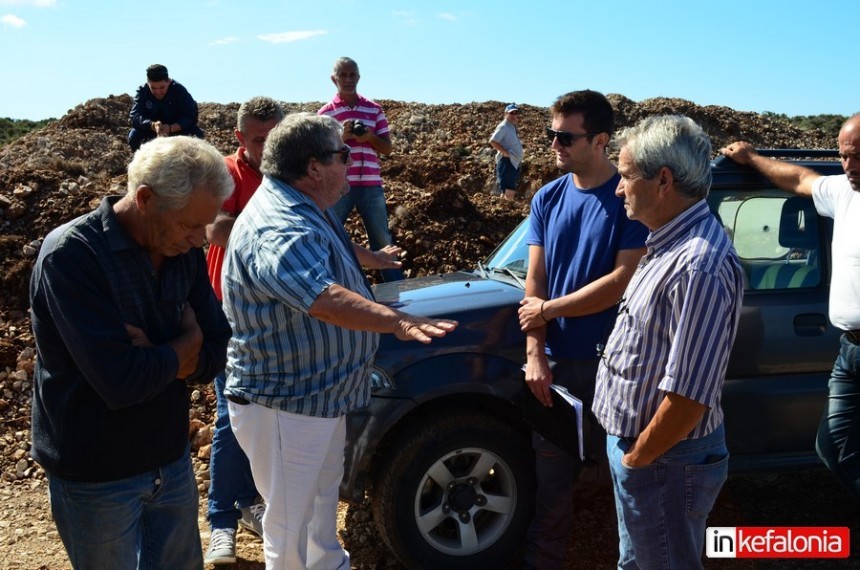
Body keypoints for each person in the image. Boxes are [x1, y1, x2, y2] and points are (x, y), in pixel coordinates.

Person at [221, 112, 457, 570]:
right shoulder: (281, 224)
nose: (351, 163)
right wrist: (395, 323)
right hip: (286, 404)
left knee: (319, 506)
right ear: (313, 166)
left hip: (317, 398)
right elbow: (321, 297)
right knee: (289, 526)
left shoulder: (307, 204)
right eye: (344, 154)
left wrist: (373, 260)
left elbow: (335, 256)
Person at [29, 135, 234, 569]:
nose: (200, 240)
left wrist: (170, 357)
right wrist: (184, 345)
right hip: (96, 473)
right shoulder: (72, 257)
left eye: (205, 225)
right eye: (190, 225)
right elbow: (119, 383)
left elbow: (218, 346)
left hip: (169, 459)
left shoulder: (182, 251)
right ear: (145, 198)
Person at [594, 115, 744, 568]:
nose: (618, 189)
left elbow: (687, 399)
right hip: (651, 456)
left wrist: (637, 462)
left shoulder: (697, 265)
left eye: (624, 176)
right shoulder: (667, 245)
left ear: (663, 180)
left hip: (664, 460)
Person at [517, 90, 648, 569]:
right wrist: (535, 356)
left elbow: (621, 282)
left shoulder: (629, 199)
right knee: (550, 480)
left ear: (599, 140)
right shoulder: (547, 198)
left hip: (615, 365)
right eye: (551, 135)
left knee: (627, 478)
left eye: (565, 137)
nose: (554, 144)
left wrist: (546, 311)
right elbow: (535, 283)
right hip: (557, 369)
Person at [722, 118, 860, 502]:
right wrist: (751, 157)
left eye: (858, 157)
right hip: (849, 352)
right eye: (844, 156)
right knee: (833, 446)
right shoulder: (845, 192)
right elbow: (799, 179)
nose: (849, 166)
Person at [203, 96, 285, 565]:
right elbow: (214, 229)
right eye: (259, 140)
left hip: (276, 314)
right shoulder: (228, 175)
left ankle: (251, 502)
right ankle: (221, 524)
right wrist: (269, 227)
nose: (268, 146)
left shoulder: (284, 172)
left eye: (275, 137)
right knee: (231, 417)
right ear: (240, 139)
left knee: (267, 416)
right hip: (231, 313)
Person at [317, 56, 404, 282]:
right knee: (328, 235)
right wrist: (340, 137)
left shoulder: (374, 109)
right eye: (343, 75)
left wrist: (369, 137)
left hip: (371, 185)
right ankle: (327, 285)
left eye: (352, 74)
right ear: (333, 79)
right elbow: (317, 152)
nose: (348, 79)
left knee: (382, 239)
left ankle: (397, 290)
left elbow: (387, 148)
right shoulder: (325, 114)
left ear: (359, 77)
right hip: (337, 187)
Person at [128, 63, 206, 151]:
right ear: (148, 83)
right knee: (134, 136)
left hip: (177, 131)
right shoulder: (142, 91)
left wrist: (171, 128)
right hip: (152, 131)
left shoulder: (179, 91)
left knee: (197, 136)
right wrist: (152, 125)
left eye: (162, 87)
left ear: (168, 81)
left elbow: (191, 116)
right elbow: (135, 116)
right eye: (153, 88)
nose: (158, 92)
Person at [489, 103, 524, 200]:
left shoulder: (511, 126)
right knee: (508, 191)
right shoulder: (503, 126)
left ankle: (503, 210)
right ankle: (506, 212)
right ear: (505, 114)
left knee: (507, 191)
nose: (514, 115)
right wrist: (505, 153)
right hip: (507, 161)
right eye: (511, 113)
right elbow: (493, 141)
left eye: (516, 113)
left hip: (513, 161)